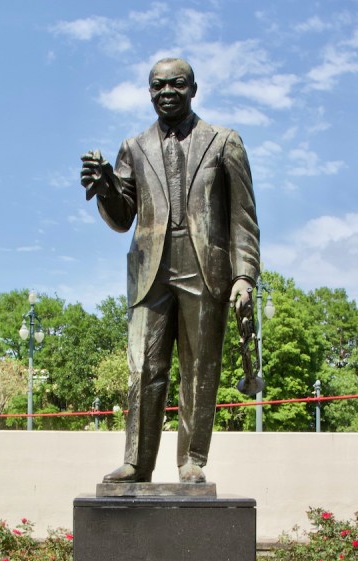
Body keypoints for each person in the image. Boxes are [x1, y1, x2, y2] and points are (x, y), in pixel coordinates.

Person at [80, 57, 260, 483]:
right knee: (143, 366)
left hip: (204, 267)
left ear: (193, 89)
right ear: (148, 92)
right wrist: (106, 185)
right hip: (150, 269)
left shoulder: (224, 142)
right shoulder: (133, 147)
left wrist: (244, 275)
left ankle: (192, 461)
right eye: (157, 85)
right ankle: (137, 462)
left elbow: (244, 218)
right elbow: (122, 217)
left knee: (200, 368)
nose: (166, 92)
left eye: (176, 84)